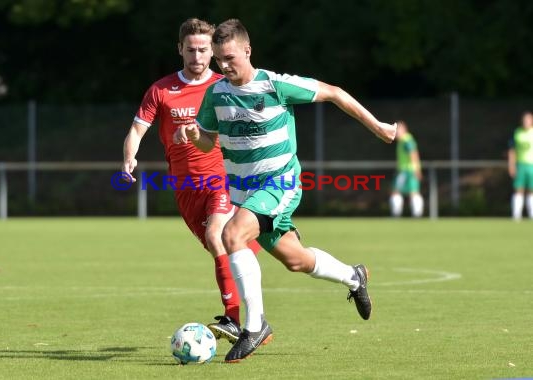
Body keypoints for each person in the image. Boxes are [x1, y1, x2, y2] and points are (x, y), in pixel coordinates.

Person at [174, 19, 397, 363]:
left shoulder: (275, 84)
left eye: (230, 57)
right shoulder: (216, 93)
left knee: (232, 234)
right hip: (245, 193)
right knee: (297, 260)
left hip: (279, 183)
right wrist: (193, 136)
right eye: (219, 59)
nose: (224, 65)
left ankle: (254, 326)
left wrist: (378, 126)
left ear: (248, 51)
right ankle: (354, 277)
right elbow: (207, 143)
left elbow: (335, 92)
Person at [121, 18, 259, 344]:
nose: (197, 57)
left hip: (220, 179)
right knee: (226, 247)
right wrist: (129, 157)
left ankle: (236, 320)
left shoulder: (224, 86)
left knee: (217, 236)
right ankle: (266, 235)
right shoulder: (161, 90)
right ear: (180, 49)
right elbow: (138, 128)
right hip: (184, 188)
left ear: (212, 51)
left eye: (203, 50)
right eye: (191, 50)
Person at [389, 121, 424, 217]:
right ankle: (415, 214)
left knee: (402, 191)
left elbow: (413, 154)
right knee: (411, 192)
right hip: (406, 170)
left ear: (404, 130)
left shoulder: (406, 140)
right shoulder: (403, 141)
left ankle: (399, 214)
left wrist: (417, 170)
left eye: (397, 130)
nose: (396, 133)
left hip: (407, 171)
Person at [508, 111, 533, 220]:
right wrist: (511, 165)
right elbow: (512, 151)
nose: (526, 122)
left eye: (528, 119)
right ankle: (516, 215)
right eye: (524, 119)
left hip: (532, 165)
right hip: (520, 165)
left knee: (531, 190)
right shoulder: (517, 133)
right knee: (518, 189)